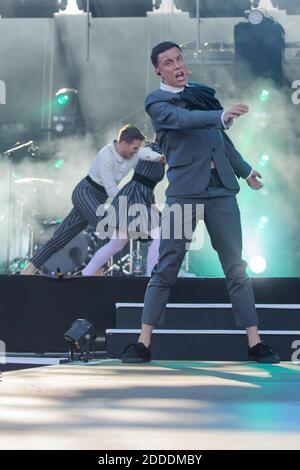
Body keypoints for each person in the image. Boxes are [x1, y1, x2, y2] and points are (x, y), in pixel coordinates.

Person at [122, 41, 280, 364]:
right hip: (184, 194)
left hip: (221, 190)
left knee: (236, 267)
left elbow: (223, 143)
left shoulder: (204, 94)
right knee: (167, 266)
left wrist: (246, 171)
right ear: (158, 70)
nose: (176, 65)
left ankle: (255, 343)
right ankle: (143, 342)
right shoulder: (158, 102)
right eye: (168, 62)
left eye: (179, 59)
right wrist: (219, 116)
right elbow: (184, 120)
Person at [20, 125, 163, 275]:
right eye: (134, 148)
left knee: (62, 236)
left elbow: (144, 156)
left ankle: (29, 270)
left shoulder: (132, 155)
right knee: (107, 226)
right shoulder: (105, 156)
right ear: (124, 143)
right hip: (85, 192)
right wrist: (127, 204)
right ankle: (95, 272)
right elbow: (111, 189)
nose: (136, 151)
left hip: (100, 198)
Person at [82, 141, 165, 276]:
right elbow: (143, 153)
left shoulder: (169, 152)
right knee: (161, 234)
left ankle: (86, 273)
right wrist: (159, 158)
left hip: (143, 196)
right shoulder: (151, 148)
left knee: (117, 243)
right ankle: (151, 276)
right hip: (134, 196)